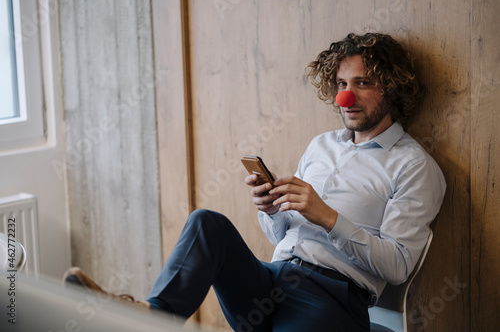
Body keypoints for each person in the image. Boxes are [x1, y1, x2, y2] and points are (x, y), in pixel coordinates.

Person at [64, 33, 446, 331]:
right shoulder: (322, 145)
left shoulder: (414, 165)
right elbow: (283, 236)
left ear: (391, 88)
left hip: (333, 301)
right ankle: (151, 319)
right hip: (271, 280)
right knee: (206, 222)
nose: (346, 95)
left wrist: (329, 218)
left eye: (361, 82)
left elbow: (398, 266)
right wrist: (271, 210)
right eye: (342, 82)